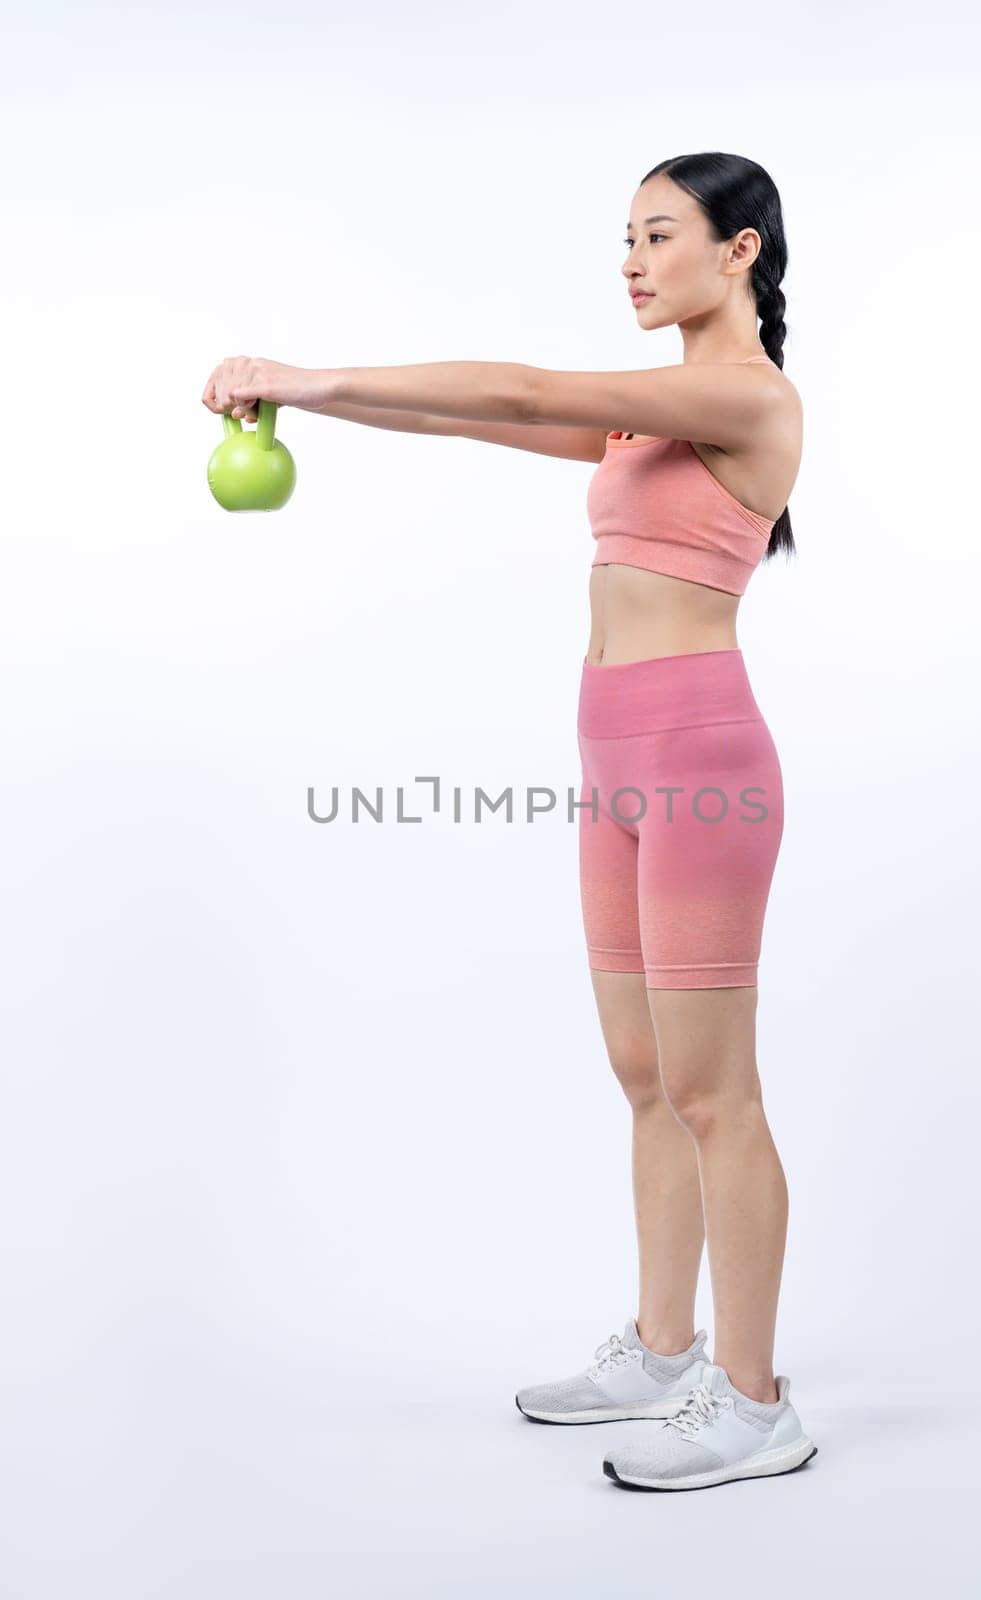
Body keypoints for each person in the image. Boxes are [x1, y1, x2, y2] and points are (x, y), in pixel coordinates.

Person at [202, 150, 816, 1494]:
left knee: (718, 1092)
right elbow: (482, 417)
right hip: (613, 757)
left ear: (742, 253)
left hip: (703, 760)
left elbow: (527, 385)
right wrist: (318, 402)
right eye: (626, 237)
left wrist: (302, 371)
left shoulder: (742, 396)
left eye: (660, 235)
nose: (633, 260)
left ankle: (758, 1403)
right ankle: (663, 1351)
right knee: (645, 1074)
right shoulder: (649, 418)